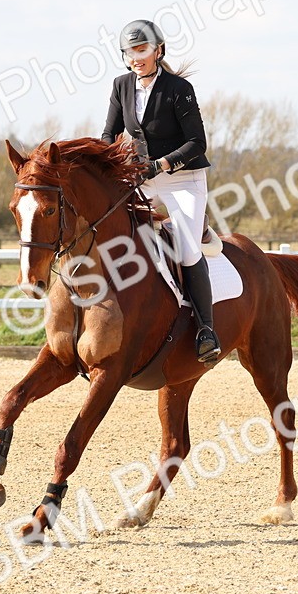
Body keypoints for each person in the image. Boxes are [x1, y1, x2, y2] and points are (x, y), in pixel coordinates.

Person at [101, 18, 220, 364]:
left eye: (141, 50)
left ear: (158, 50)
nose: (135, 57)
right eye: (129, 52)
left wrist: (162, 164)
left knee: (184, 247)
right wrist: (107, 164)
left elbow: (197, 143)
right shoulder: (121, 85)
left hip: (183, 179)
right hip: (143, 179)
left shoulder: (178, 88)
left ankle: (205, 329)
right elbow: (109, 134)